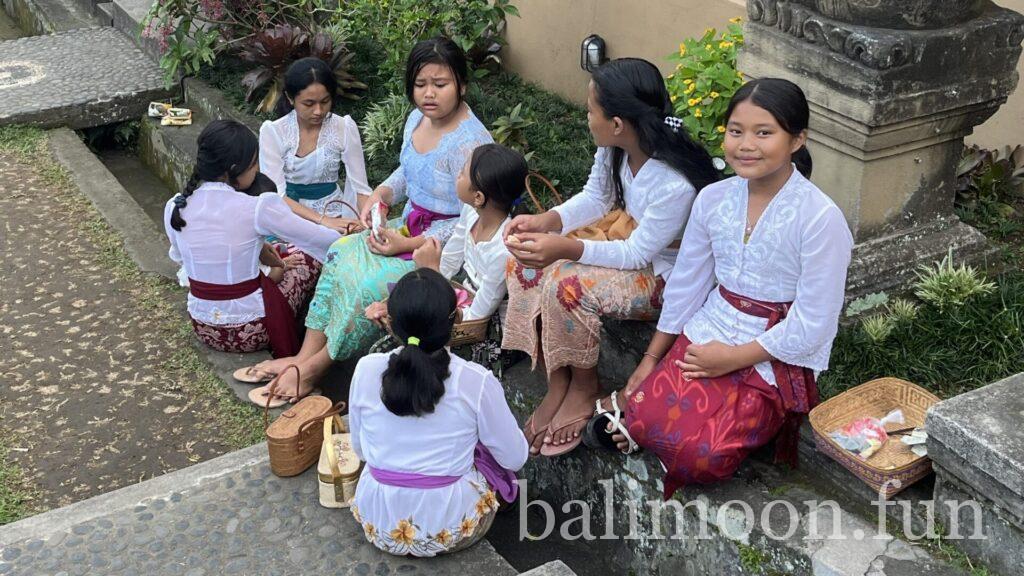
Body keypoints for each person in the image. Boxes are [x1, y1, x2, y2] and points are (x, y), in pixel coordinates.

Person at [594, 78, 854, 499]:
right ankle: (651, 431)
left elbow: (814, 321)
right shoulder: (713, 199)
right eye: (736, 131)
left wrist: (732, 359)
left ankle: (680, 438)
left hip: (774, 348)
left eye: (764, 132)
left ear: (797, 140)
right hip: (713, 325)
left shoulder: (820, 218)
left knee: (703, 457)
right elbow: (687, 283)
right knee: (640, 414)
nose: (745, 145)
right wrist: (651, 359)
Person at [241, 37, 493, 400]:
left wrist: (409, 243)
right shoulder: (417, 119)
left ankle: (314, 369)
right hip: (406, 229)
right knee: (341, 253)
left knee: (367, 285)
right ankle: (301, 355)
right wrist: (382, 194)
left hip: (441, 251)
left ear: (462, 85)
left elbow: (474, 217)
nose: (429, 94)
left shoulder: (471, 143)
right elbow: (407, 173)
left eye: (441, 85)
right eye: (420, 85)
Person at [501, 58, 720, 457]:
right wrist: (547, 221)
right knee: (524, 262)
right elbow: (598, 197)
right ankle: (559, 378)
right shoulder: (616, 148)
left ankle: (585, 386)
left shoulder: (675, 184)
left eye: (590, 111)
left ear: (617, 123)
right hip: (629, 245)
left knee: (565, 282)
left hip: (662, 275)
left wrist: (566, 246)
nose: (587, 118)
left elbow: (638, 253)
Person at [348, 269, 528, 557]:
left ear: (391, 324)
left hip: (379, 523)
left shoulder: (366, 368)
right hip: (449, 530)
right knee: (485, 451)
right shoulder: (476, 380)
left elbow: (360, 450)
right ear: (457, 319)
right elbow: (514, 457)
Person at [164, 120, 341, 359]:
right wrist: (351, 237)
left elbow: (181, 259)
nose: (257, 169)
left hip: (203, 326)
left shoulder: (176, 206)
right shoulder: (256, 207)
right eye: (254, 162)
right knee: (306, 256)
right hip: (251, 330)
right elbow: (319, 239)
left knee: (280, 251)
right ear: (235, 168)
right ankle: (306, 345)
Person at [365, 143, 529, 333]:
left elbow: (475, 319)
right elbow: (449, 264)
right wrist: (401, 304)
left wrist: (428, 271)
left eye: (462, 173)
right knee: (402, 308)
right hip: (461, 299)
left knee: (409, 326)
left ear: (478, 197)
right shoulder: (472, 212)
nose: (457, 175)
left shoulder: (503, 250)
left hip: (486, 329)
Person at [259, 57, 371, 231]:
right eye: (309, 104)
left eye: (325, 102)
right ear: (290, 98)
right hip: (288, 216)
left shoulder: (344, 127)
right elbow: (277, 194)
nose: (318, 111)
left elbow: (360, 187)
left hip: (334, 213)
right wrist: (322, 220)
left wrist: (370, 219)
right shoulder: (273, 132)